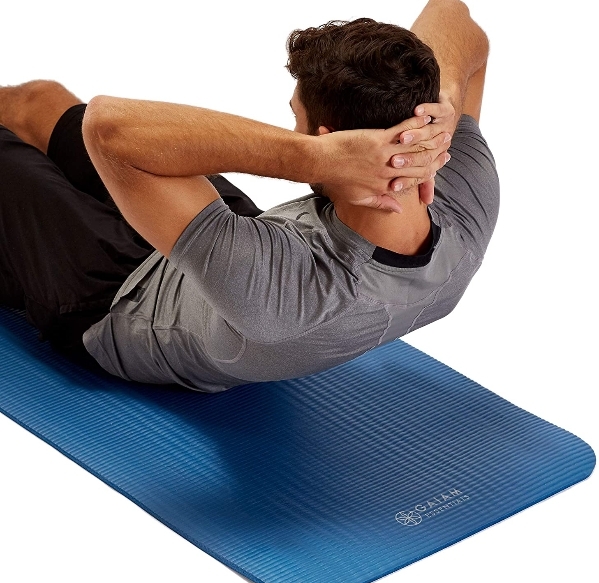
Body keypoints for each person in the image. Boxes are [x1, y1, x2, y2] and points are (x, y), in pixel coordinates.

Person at [0, 0, 497, 393]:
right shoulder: (464, 202)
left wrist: (310, 159)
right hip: (233, 246)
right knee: (41, 101)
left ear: (327, 140)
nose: (293, 131)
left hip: (116, 303)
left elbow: (106, 127)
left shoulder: (288, 295)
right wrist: (446, 105)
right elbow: (451, 11)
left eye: (298, 121)